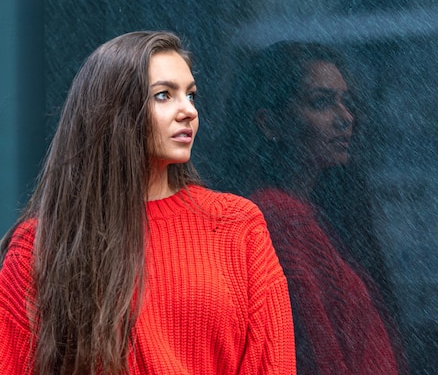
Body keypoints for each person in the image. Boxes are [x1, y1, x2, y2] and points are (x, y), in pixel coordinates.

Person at [0, 31, 296, 375]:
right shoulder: (41, 244)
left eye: (191, 95)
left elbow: (272, 364)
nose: (188, 110)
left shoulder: (236, 224)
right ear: (112, 112)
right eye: (163, 95)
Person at [213, 41, 407, 375]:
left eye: (346, 102)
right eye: (321, 102)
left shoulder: (305, 216)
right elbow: (318, 354)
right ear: (270, 123)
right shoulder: (280, 220)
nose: (345, 117)